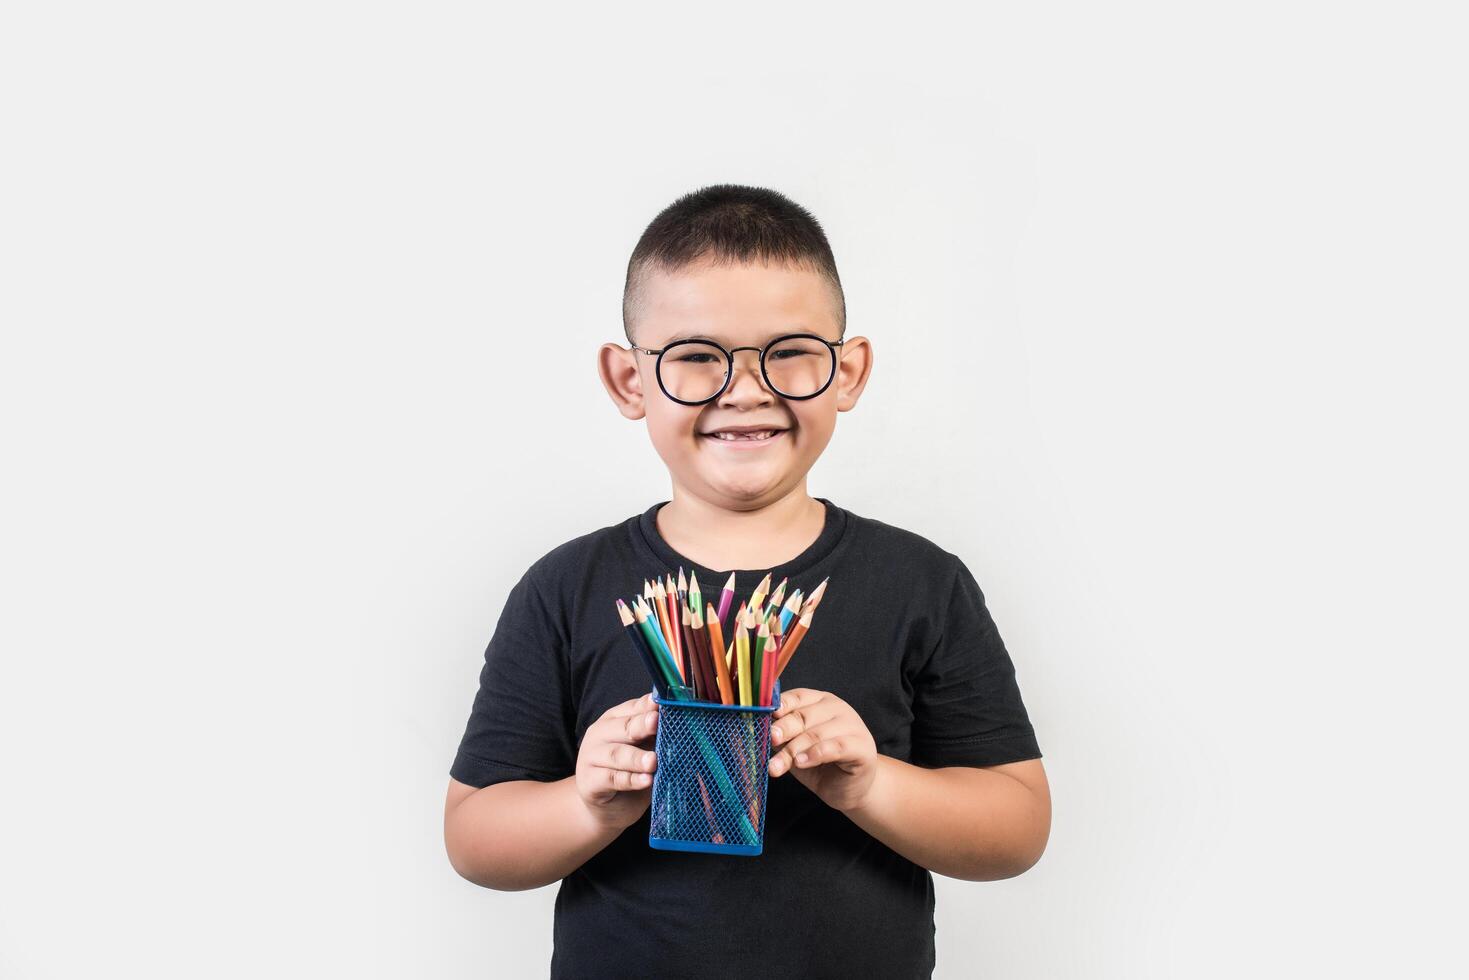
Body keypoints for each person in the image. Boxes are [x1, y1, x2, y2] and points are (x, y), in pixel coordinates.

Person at [444, 184, 1050, 979]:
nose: (746, 387)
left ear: (847, 370)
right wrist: (584, 803)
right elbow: (473, 839)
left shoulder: (919, 583)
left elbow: (1017, 827)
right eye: (695, 356)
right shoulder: (565, 586)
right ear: (629, 380)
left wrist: (871, 784)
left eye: (789, 350)